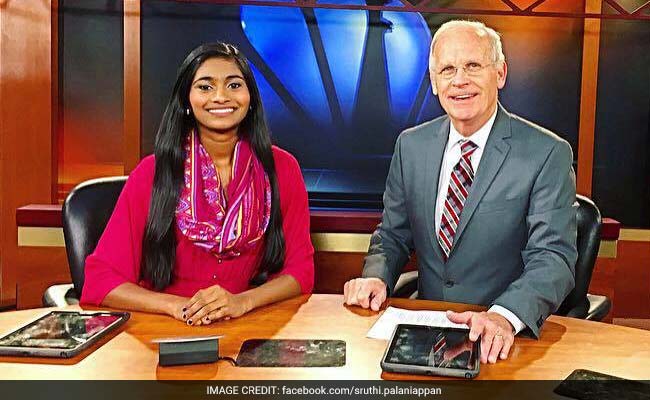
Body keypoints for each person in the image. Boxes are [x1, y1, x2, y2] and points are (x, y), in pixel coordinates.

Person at [343, 20, 577, 364]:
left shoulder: (546, 153)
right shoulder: (411, 146)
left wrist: (504, 316)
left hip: (503, 339)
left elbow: (553, 257)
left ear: (500, 74)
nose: (460, 80)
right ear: (435, 83)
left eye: (473, 66)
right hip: (427, 338)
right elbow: (392, 234)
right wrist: (376, 277)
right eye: (447, 69)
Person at [81, 42, 314, 326]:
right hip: (163, 327)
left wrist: (242, 302)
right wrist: (176, 306)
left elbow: (299, 271)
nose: (220, 97)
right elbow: (101, 279)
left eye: (234, 85)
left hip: (241, 325)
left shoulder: (282, 169)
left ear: (250, 97)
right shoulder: (153, 173)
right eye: (205, 87)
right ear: (187, 101)